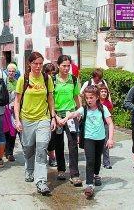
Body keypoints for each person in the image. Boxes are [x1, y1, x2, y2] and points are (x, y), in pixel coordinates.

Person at [14, 52, 56, 196]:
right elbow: (17, 101)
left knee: (42, 147)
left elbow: (50, 99)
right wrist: (17, 120)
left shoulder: (47, 78)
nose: (38, 66)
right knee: (28, 148)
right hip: (26, 119)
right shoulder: (23, 79)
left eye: (40, 64)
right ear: (29, 64)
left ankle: (41, 181)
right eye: (35, 63)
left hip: (43, 119)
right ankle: (29, 169)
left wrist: (53, 117)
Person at [61, 86, 115, 199]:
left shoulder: (102, 108)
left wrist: (110, 139)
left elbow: (110, 123)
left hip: (100, 138)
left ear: (97, 97)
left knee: (97, 160)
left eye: (91, 98)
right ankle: (89, 185)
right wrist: (65, 119)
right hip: (88, 138)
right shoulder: (84, 109)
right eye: (87, 98)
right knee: (90, 160)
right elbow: (74, 114)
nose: (89, 100)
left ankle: (96, 175)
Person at [49, 55, 82, 186]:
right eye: (64, 66)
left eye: (68, 66)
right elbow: (50, 99)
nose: (66, 68)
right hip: (57, 115)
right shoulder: (52, 80)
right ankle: (61, 170)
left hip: (71, 114)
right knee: (58, 143)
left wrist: (79, 111)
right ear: (58, 66)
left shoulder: (73, 79)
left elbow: (76, 96)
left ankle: (74, 174)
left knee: (73, 144)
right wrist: (55, 116)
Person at [42, 62, 58, 168]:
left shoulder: (56, 82)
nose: (50, 75)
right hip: (44, 112)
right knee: (43, 137)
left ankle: (52, 157)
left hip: (55, 111)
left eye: (52, 73)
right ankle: (43, 157)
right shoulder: (43, 81)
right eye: (48, 72)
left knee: (53, 136)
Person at [3, 63, 18, 162]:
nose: (11, 73)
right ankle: (4, 150)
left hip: (13, 110)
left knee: (13, 131)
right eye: (9, 71)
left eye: (13, 71)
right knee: (5, 131)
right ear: (7, 71)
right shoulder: (4, 81)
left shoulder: (18, 82)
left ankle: (10, 152)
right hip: (4, 109)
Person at [99, 86, 114, 169]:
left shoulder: (108, 103)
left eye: (105, 92)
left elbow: (110, 116)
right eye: (102, 91)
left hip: (105, 125)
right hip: (96, 125)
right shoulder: (95, 102)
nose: (104, 93)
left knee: (106, 143)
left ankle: (106, 162)